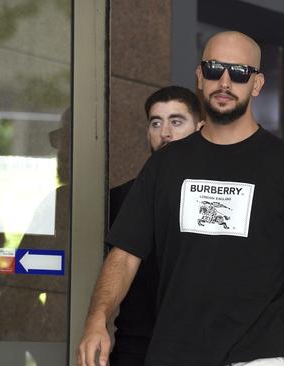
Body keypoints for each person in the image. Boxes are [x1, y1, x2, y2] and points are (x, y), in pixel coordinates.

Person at [78, 31, 284, 366]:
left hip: (259, 356)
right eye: (214, 69)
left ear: (256, 84)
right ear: (200, 76)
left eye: (239, 73)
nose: (224, 82)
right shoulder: (165, 166)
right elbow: (124, 256)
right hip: (173, 353)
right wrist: (97, 321)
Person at [107, 86, 204, 365]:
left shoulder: (218, 197)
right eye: (156, 122)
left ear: (200, 128)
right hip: (137, 348)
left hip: (203, 349)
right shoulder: (121, 198)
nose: (165, 133)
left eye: (176, 121)